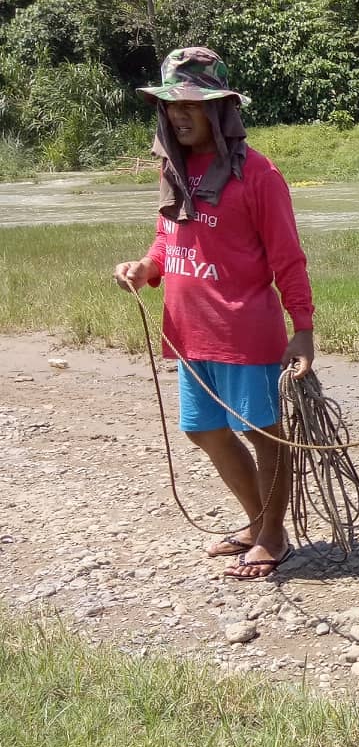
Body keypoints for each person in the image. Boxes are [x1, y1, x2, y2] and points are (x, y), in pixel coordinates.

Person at [113, 47, 315, 580]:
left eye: (191, 106)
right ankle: (256, 520)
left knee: (264, 432)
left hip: (244, 330)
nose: (178, 115)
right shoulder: (173, 168)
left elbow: (288, 258)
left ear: (220, 110)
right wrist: (144, 267)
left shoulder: (259, 175)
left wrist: (304, 330)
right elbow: (168, 236)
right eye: (170, 106)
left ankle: (273, 535)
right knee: (202, 430)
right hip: (187, 330)